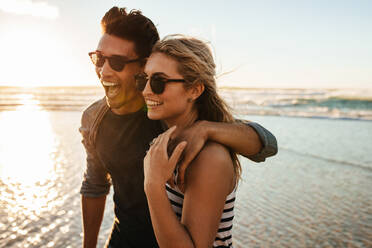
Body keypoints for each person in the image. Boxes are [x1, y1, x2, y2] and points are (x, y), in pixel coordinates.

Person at [80, 6, 277, 248]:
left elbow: (267, 145)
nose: (103, 71)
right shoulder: (94, 119)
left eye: (118, 62)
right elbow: (95, 184)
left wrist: (205, 129)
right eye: (99, 58)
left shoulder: (166, 110)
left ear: (143, 65)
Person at [140, 35, 244, 248]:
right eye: (144, 79)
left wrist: (152, 185)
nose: (146, 90)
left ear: (195, 90)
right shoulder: (172, 139)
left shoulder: (210, 157)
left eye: (159, 82)